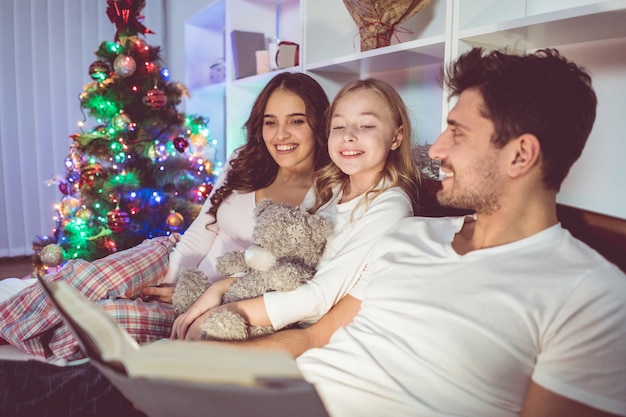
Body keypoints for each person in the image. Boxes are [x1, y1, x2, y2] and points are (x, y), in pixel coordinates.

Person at [0, 71, 331, 362]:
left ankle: (22, 331)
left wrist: (201, 295)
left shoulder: (325, 194)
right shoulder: (245, 160)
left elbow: (287, 276)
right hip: (172, 258)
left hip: (211, 303)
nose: (280, 135)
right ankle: (5, 323)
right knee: (86, 280)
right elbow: (204, 227)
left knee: (102, 319)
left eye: (296, 121)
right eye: (270, 121)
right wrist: (167, 277)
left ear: (318, 123)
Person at [171, 78, 421, 340]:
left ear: (396, 136)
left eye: (367, 125)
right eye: (339, 126)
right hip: (266, 303)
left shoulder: (390, 206)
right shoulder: (330, 188)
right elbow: (281, 260)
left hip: (294, 325)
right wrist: (219, 288)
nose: (348, 136)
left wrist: (226, 310)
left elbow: (320, 296)